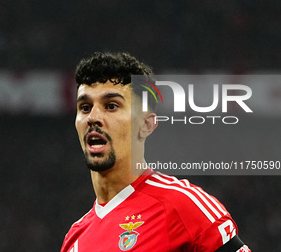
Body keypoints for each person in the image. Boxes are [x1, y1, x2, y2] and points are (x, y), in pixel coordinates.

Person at [60, 52, 251, 252]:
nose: (93, 117)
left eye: (111, 106)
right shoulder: (75, 239)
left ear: (146, 125)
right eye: (85, 107)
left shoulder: (184, 206)